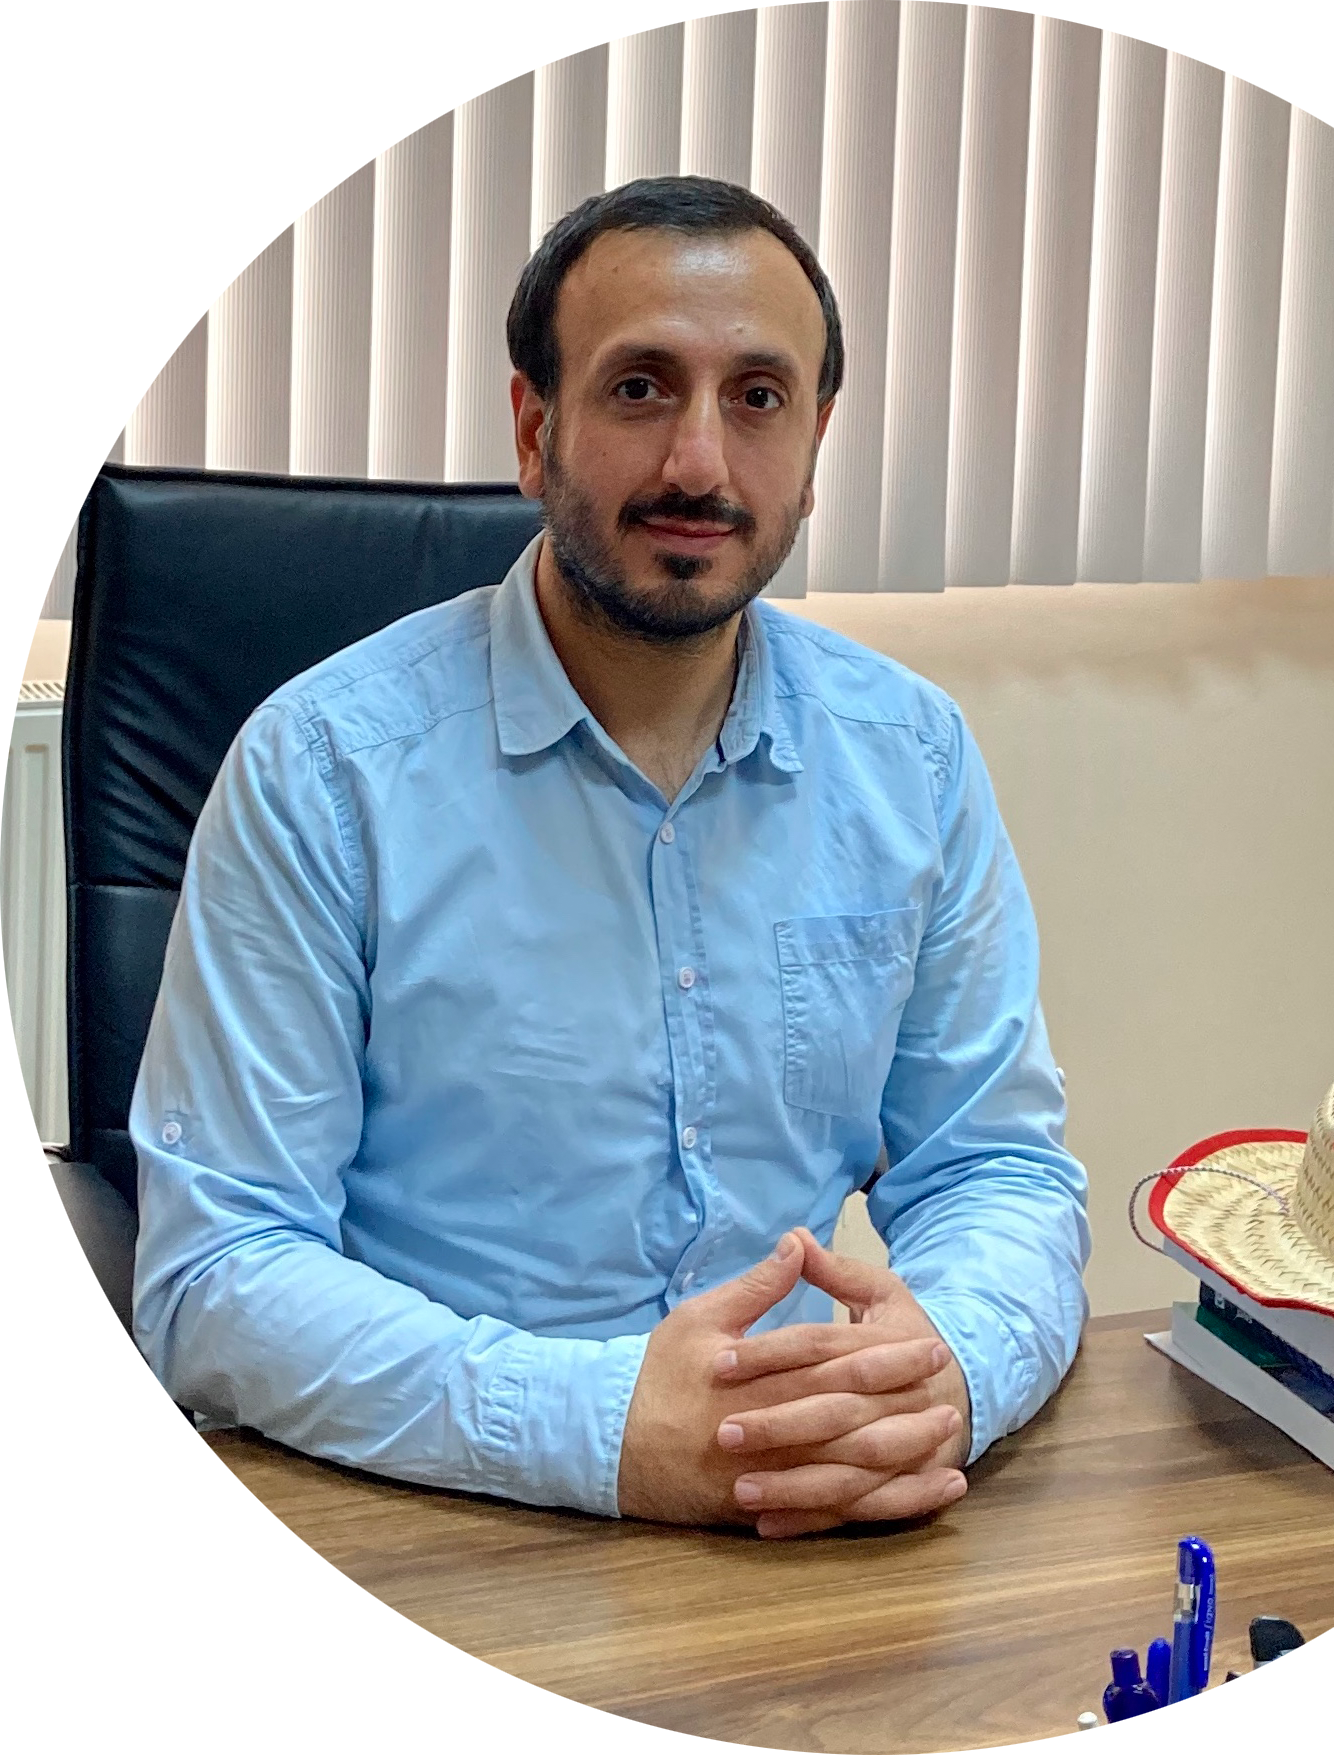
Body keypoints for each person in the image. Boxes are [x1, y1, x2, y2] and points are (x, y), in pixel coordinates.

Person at [131, 176, 1089, 1538]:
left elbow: (996, 1167)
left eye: (757, 398)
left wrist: (946, 1371)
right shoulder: (326, 768)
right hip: (421, 1511)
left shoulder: (908, 758)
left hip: (796, 1510)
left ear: (813, 448)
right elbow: (216, 1271)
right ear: (536, 429)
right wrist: (596, 1426)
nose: (699, 463)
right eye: (641, 389)